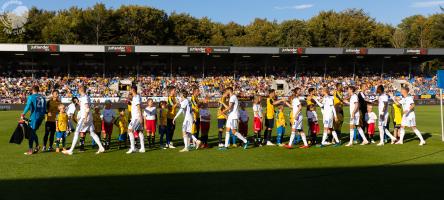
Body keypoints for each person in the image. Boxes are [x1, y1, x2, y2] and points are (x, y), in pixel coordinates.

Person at [62, 85, 105, 155]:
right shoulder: (85, 97)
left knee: (76, 132)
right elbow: (84, 105)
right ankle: (101, 147)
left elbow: (87, 108)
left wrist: (85, 118)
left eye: (79, 89)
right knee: (92, 133)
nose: (78, 90)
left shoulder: (85, 98)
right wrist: (78, 102)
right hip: (88, 117)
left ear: (81, 90)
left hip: (84, 118)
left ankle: (71, 150)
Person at [21, 85, 46, 155]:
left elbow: (28, 106)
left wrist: (23, 114)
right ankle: (37, 145)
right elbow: (45, 108)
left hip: (34, 116)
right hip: (41, 117)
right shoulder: (43, 97)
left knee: (31, 133)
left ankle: (30, 150)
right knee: (33, 131)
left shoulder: (31, 97)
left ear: (32, 90)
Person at [126, 85, 145, 154]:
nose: (129, 91)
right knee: (140, 131)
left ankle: (133, 147)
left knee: (129, 131)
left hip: (136, 117)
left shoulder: (136, 97)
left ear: (133, 90)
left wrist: (140, 117)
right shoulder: (136, 97)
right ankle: (142, 148)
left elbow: (138, 107)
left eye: (130, 89)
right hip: (135, 117)